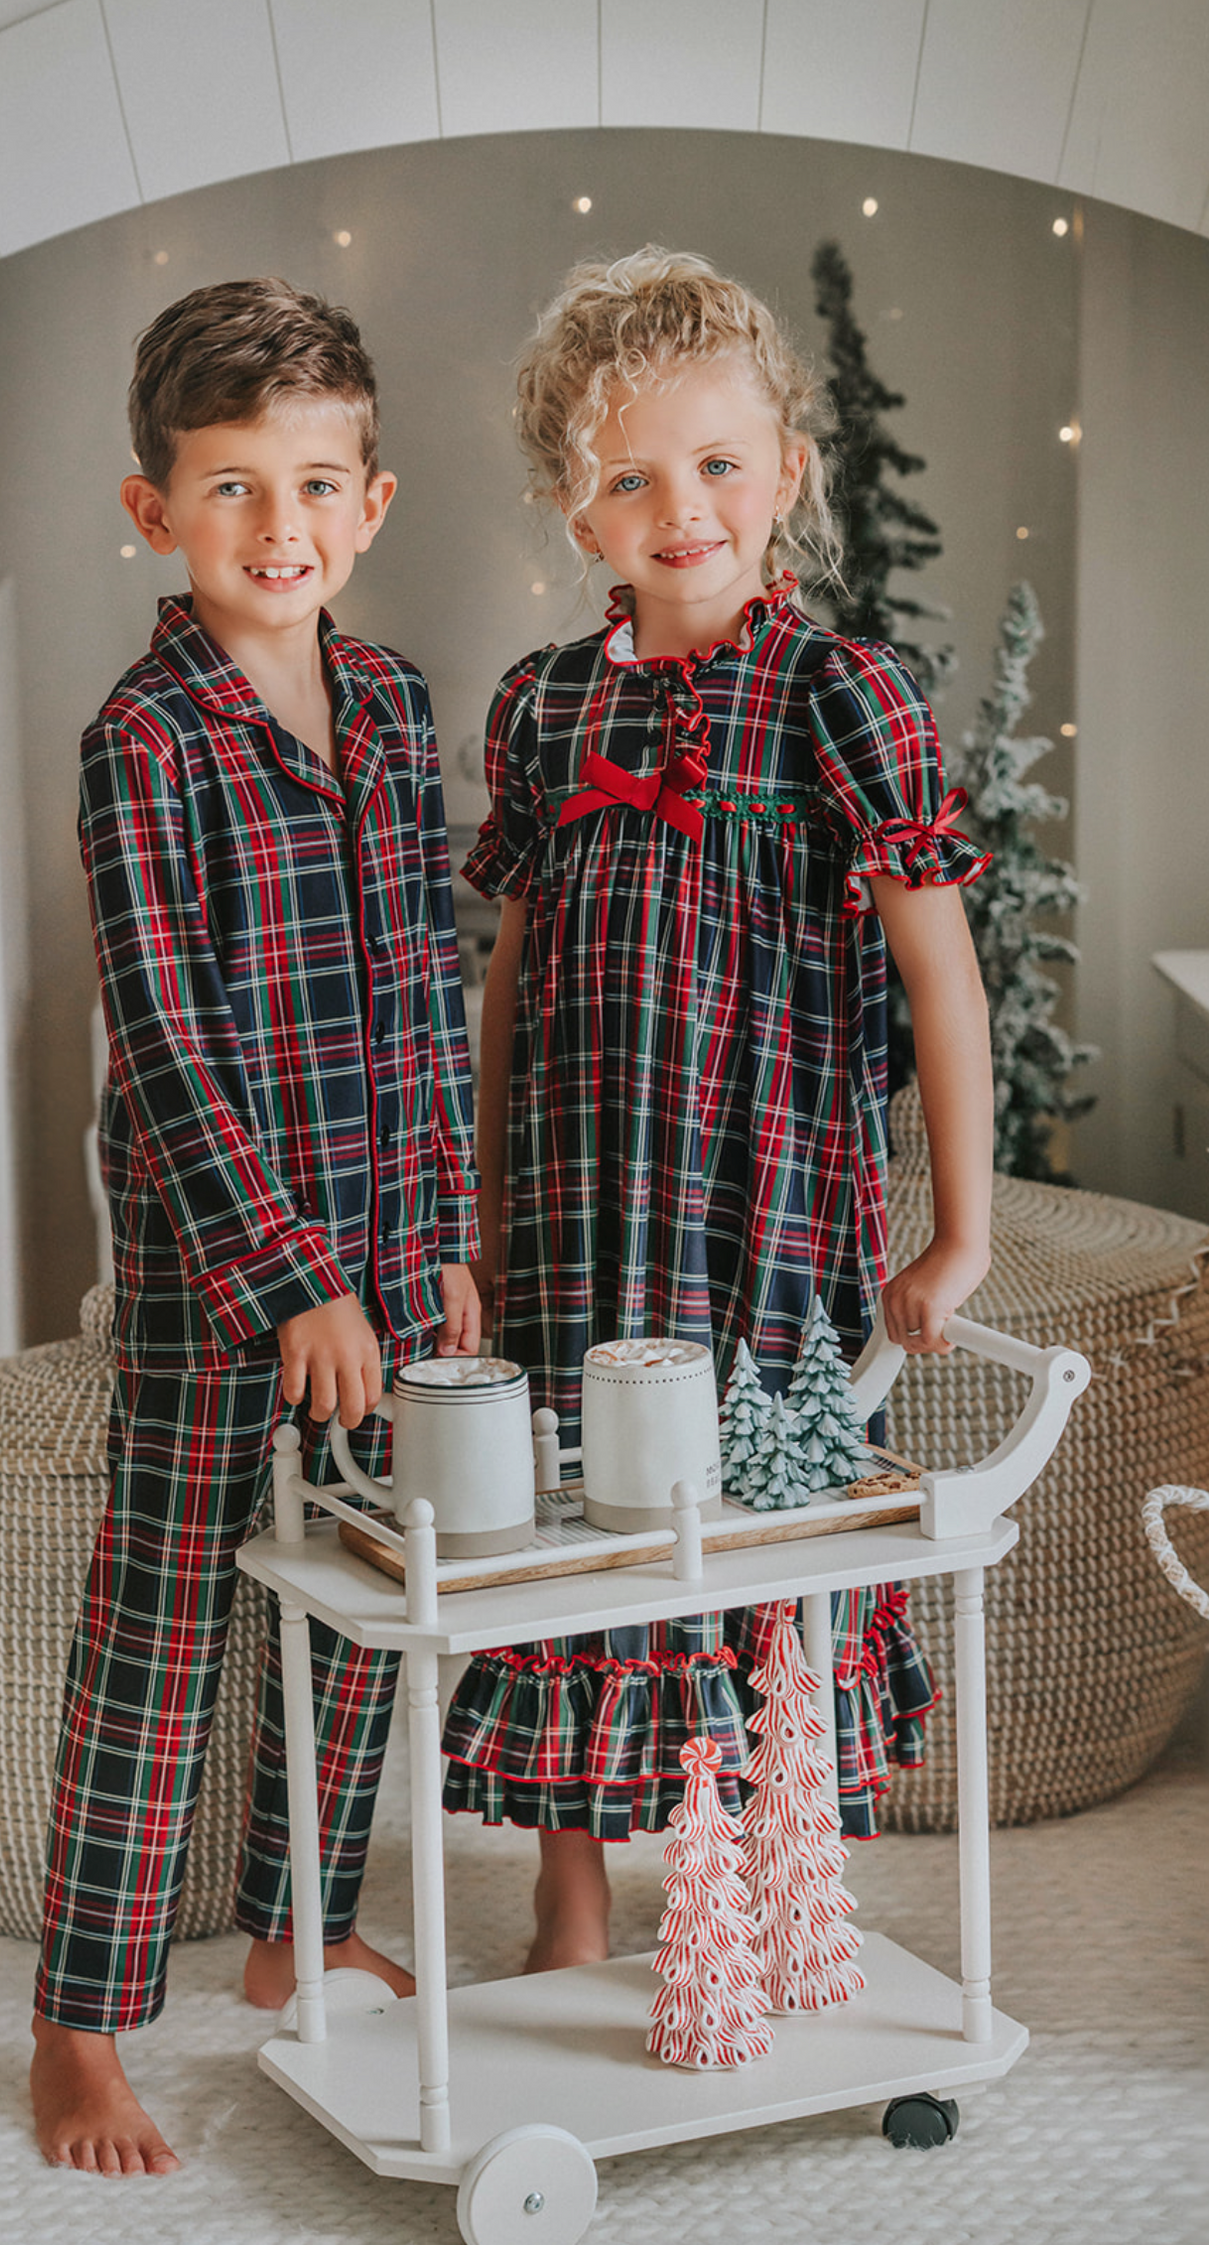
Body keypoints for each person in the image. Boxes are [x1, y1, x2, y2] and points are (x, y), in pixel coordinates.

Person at [440, 248, 993, 1972]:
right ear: (573, 509)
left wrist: (960, 1228)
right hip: (580, 1218)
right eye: (633, 477)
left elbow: (940, 974)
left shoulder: (843, 695)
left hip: (768, 1221)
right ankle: (572, 1886)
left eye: (719, 463)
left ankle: (754, 1876)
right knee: (569, 1536)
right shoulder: (544, 708)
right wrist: (477, 1211)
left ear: (789, 470)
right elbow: (509, 984)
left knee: (752, 1535)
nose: (684, 507)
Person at [30, 279, 480, 2173]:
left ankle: (300, 1922)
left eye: (312, 487)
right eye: (230, 491)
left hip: (391, 1260)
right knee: (162, 1633)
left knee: (367, 1611)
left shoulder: (391, 702)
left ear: (371, 502)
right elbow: (168, 1042)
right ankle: (76, 2025)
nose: (275, 531)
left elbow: (432, 991)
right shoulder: (147, 742)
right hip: (233, 1288)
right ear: (155, 512)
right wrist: (287, 1280)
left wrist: (440, 1232)